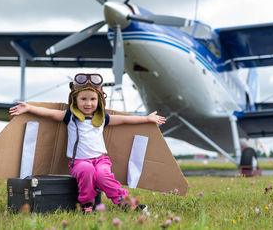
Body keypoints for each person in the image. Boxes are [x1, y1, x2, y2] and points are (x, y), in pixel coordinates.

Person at [9, 73, 166, 213]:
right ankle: (87, 203)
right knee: (86, 170)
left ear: (99, 100)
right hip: (80, 161)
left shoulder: (103, 118)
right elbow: (50, 114)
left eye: (93, 99)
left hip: (101, 159)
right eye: (83, 99)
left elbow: (125, 120)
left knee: (103, 176)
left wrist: (146, 119)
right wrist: (29, 108)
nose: (88, 103)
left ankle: (125, 203)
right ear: (75, 99)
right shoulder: (70, 117)